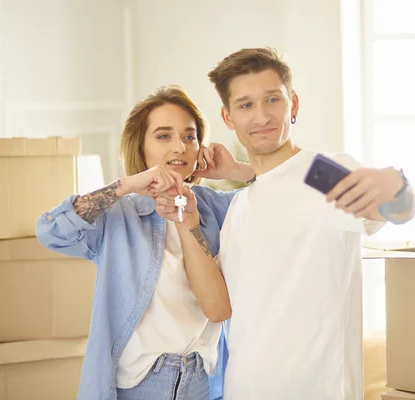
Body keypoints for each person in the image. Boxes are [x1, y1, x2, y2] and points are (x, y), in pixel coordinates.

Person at [205, 47, 415, 399]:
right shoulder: (239, 205)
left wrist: (398, 184)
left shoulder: (322, 174)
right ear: (228, 118)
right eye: (245, 105)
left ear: (294, 104)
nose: (262, 116)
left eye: (273, 99)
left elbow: (395, 210)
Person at [35, 86, 254, 400]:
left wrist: (238, 170)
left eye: (189, 136)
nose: (179, 146)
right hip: (139, 385)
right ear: (140, 146)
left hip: (202, 382)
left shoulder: (215, 208)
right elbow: (50, 231)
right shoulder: (117, 214)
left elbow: (292, 196)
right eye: (164, 136)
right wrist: (124, 185)